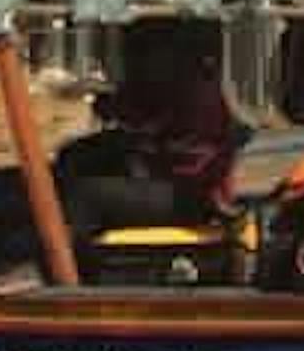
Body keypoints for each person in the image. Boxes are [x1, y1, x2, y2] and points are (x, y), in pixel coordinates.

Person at [57, 31, 241, 253]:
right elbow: (137, 117)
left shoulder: (197, 93)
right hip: (169, 179)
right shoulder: (180, 85)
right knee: (75, 156)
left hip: (188, 197)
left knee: (87, 195)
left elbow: (188, 157)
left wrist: (141, 153)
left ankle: (62, 259)